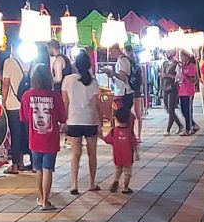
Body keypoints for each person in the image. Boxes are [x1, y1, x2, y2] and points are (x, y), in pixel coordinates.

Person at [20, 63, 62, 210]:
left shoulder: (27, 95)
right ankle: (45, 201)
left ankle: (41, 198)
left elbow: (24, 117)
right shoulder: (55, 96)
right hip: (51, 138)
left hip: (34, 137)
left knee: (38, 169)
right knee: (48, 169)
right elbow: (62, 117)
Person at [63, 51, 104, 194]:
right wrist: (99, 123)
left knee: (75, 154)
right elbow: (96, 105)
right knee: (92, 154)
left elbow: (65, 103)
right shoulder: (93, 81)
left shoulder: (67, 80)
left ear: (75, 65)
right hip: (90, 120)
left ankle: (74, 184)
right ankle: (91, 183)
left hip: (74, 120)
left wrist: (64, 120)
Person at [0, 51, 28, 174]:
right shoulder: (29, 61)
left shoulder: (9, 62)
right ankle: (29, 163)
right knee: (26, 134)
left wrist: (3, 103)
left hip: (13, 105)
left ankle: (15, 165)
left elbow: (6, 84)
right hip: (26, 104)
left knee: (15, 135)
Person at [104, 106, 138, 195]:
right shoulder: (129, 131)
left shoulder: (113, 131)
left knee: (118, 169)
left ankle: (116, 180)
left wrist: (100, 136)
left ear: (116, 118)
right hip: (128, 155)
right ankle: (125, 188)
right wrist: (137, 154)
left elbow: (107, 140)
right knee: (127, 171)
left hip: (117, 154)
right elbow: (134, 143)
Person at [176, 53, 200, 134]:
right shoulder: (183, 66)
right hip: (182, 91)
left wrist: (183, 71)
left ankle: (188, 129)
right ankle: (193, 125)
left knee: (187, 111)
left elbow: (191, 80)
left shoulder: (191, 66)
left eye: (182, 56)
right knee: (183, 110)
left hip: (188, 91)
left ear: (187, 56)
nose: (181, 58)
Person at [159, 55, 183, 133]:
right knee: (167, 108)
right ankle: (180, 125)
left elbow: (179, 77)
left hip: (173, 88)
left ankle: (168, 129)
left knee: (171, 109)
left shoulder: (177, 64)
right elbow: (161, 74)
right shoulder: (164, 63)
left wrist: (169, 75)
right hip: (165, 87)